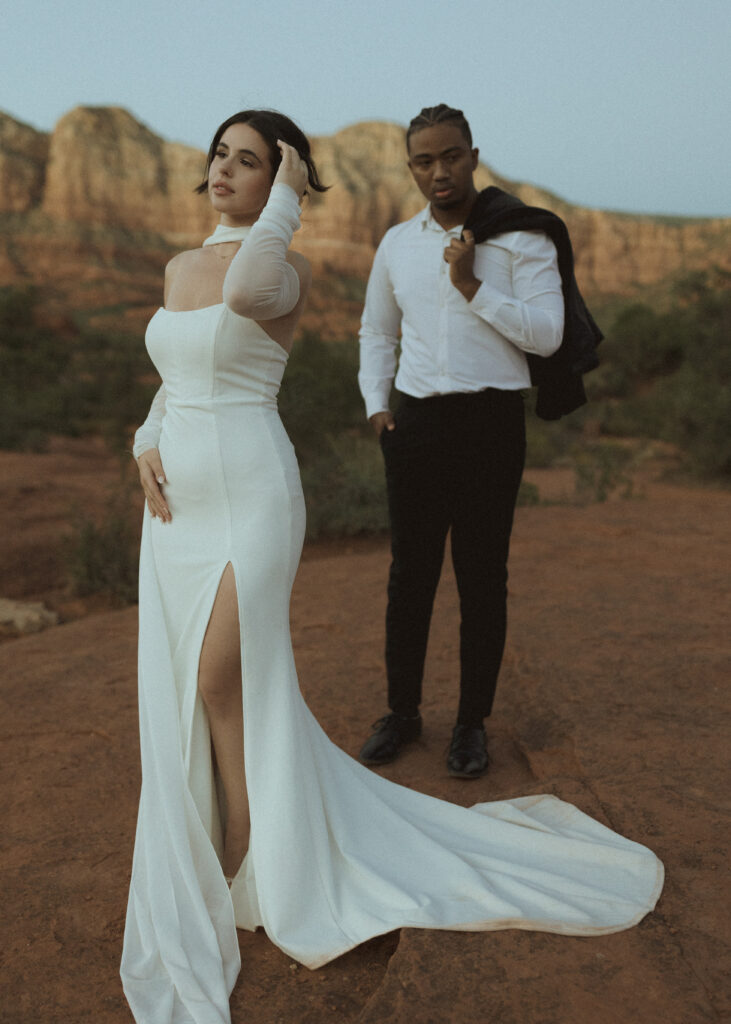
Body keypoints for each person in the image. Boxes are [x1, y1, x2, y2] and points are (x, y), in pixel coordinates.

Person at [121, 109, 662, 1024]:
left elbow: (249, 284)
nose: (224, 169)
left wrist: (288, 200)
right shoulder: (178, 268)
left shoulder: (279, 269)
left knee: (223, 675)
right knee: (202, 680)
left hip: (254, 494)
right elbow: (175, 373)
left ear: (279, 182)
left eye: (250, 162)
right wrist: (141, 434)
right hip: (177, 506)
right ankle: (242, 836)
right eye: (220, 154)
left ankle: (257, 852)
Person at [358, 103, 563, 777]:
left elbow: (546, 336)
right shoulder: (396, 243)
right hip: (414, 425)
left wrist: (471, 285)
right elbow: (377, 331)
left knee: (481, 579)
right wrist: (376, 407)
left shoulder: (521, 238)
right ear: (411, 166)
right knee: (408, 576)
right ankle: (402, 713)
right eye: (424, 160)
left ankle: (470, 724)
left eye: (450, 156)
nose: (438, 171)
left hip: (489, 425)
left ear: (473, 155)